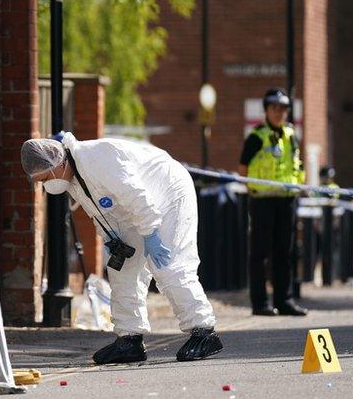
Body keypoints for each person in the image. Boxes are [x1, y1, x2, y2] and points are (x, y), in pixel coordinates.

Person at [20, 132, 222, 364]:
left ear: (58, 163)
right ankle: (130, 339)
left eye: (45, 179)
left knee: (168, 265)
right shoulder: (73, 179)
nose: (47, 185)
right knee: (122, 270)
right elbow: (100, 213)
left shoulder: (98, 158)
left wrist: (151, 234)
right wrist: (111, 239)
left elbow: (136, 196)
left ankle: (204, 331)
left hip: (168, 192)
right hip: (134, 207)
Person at [238, 87, 308, 317]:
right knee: (259, 253)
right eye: (275, 108)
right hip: (262, 201)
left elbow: (297, 165)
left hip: (286, 201)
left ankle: (284, 299)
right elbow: (243, 169)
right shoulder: (256, 136)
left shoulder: (291, 135)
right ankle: (260, 303)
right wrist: (254, 190)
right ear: (266, 110)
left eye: (283, 109)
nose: (279, 113)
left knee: (284, 253)